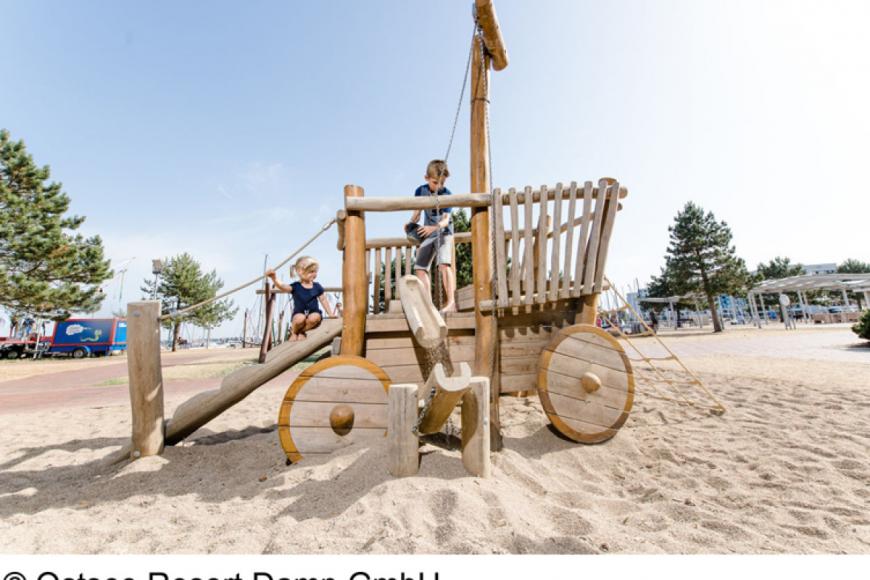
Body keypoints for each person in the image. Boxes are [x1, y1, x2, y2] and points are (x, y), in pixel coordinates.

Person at [408, 159, 456, 313]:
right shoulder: (420, 191)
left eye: (442, 183)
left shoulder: (447, 194)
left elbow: (445, 221)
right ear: (426, 178)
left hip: (443, 232)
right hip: (428, 233)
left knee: (443, 265)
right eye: (435, 182)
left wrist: (432, 228)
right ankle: (428, 305)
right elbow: (416, 214)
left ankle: (452, 303)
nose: (439, 186)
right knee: (420, 268)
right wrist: (410, 223)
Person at [266, 256, 335, 341]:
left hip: (313, 313)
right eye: (311, 271)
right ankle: (294, 332)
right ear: (300, 272)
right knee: (300, 318)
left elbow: (323, 300)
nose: (314, 274)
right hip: (299, 314)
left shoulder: (317, 286)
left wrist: (330, 313)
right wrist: (274, 278)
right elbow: (283, 287)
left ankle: (302, 331)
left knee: (315, 317)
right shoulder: (296, 286)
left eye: (315, 271)